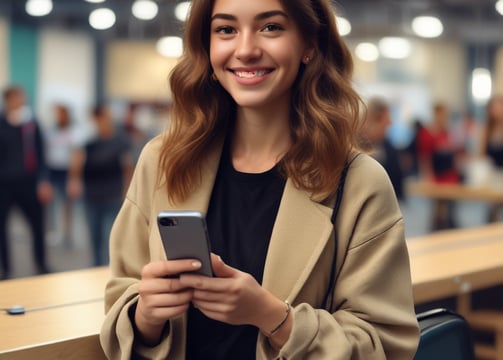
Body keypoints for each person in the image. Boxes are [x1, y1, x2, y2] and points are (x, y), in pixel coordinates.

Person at [100, 1, 419, 359]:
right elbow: (121, 294)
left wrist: (272, 317)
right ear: (206, 47)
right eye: (226, 30)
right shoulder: (163, 161)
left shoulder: (359, 182)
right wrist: (145, 315)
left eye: (270, 28)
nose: (246, 49)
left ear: (310, 45)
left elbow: (386, 345)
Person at [67, 103, 134, 266]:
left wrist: (128, 192)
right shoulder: (89, 142)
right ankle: (96, 267)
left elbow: (128, 168)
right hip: (92, 194)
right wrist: (74, 181)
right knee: (94, 236)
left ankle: (109, 269)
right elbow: (77, 163)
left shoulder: (120, 141)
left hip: (113, 194)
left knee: (109, 236)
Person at [0, 85, 53, 279]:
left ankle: (41, 263)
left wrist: (44, 180)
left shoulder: (31, 123)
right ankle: (5, 268)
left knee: (37, 225)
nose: (19, 101)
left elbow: (40, 153)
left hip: (29, 183)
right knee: (2, 228)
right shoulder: (1, 123)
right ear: (8, 100)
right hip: (4, 185)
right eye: (15, 98)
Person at [417, 102, 461, 230]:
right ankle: (437, 230)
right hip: (437, 177)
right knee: (437, 209)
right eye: (443, 115)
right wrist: (427, 177)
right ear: (436, 114)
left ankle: (448, 228)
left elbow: (453, 155)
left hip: (450, 176)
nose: (445, 118)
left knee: (449, 209)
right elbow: (425, 158)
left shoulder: (446, 133)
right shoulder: (427, 134)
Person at [44, 103, 77, 247]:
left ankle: (67, 234)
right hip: (52, 169)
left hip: (66, 170)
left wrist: (74, 177)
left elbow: (76, 154)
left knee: (67, 204)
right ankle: (51, 232)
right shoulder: (50, 131)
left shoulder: (73, 131)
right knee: (50, 203)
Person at [360, 97, 405, 200]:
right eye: (387, 120)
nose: (390, 123)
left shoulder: (389, 147)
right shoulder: (353, 149)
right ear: (375, 119)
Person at [479, 95, 503, 222]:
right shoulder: (488, 129)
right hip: (493, 173)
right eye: (493, 108)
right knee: (492, 210)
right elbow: (482, 154)